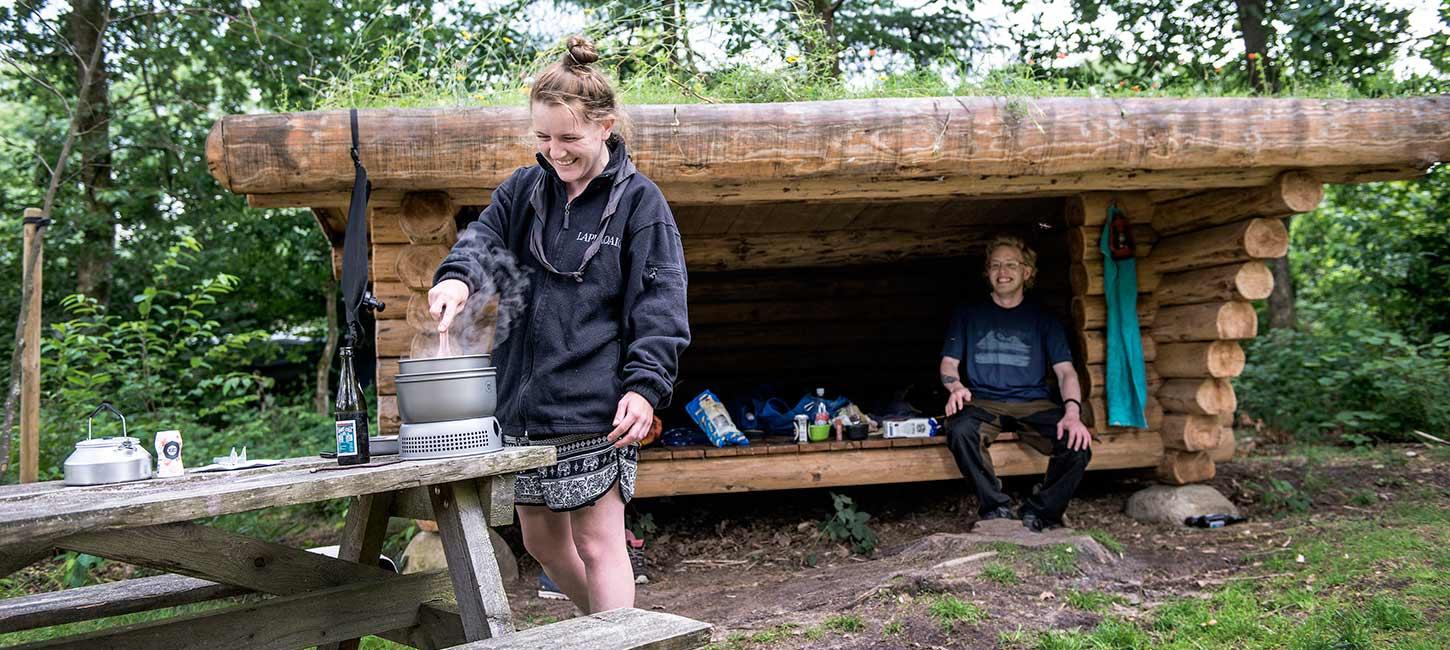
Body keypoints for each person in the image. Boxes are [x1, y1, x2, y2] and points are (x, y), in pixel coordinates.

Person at [429, 35, 690, 613]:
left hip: (597, 402)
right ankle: (603, 624)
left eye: (569, 138)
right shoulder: (523, 190)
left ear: (605, 127)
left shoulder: (641, 204)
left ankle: (615, 639)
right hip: (523, 401)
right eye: (543, 137)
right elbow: (483, 241)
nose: (555, 151)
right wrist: (457, 278)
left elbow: (661, 304)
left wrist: (645, 388)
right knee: (541, 543)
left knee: (599, 543)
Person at [938, 234, 1092, 532]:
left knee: (1077, 444)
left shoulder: (1043, 317)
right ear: (987, 272)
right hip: (983, 401)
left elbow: (1066, 373)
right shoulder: (968, 313)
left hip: (1033, 403)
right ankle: (996, 509)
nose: (1002, 271)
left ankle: (1041, 514)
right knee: (960, 430)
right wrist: (955, 387)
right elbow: (949, 363)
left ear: (1027, 272)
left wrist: (1072, 413)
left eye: (1010, 264)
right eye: (995, 265)